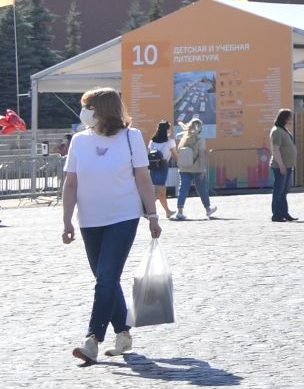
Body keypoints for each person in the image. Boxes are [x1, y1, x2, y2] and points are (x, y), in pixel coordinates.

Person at [61, 88, 165, 364]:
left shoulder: (132, 138)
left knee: (106, 277)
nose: (83, 112)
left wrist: (153, 216)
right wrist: (66, 220)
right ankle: (123, 333)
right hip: (90, 220)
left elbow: (143, 179)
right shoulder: (79, 141)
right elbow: (71, 183)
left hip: (123, 216)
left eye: (88, 107)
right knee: (106, 279)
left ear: (102, 110)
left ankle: (92, 339)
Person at [171, 118, 215, 218]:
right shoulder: (200, 140)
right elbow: (202, 156)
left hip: (183, 168)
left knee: (183, 189)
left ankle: (180, 211)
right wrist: (203, 169)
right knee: (201, 189)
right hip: (197, 169)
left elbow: (179, 152)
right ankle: (208, 209)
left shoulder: (183, 139)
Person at [268, 109, 297, 222]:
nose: (291, 119)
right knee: (278, 190)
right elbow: (275, 150)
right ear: (285, 118)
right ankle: (276, 214)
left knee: (284, 191)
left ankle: (284, 212)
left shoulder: (283, 130)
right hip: (280, 166)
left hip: (288, 165)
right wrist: (281, 166)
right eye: (290, 117)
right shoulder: (276, 131)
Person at [148, 121, 175, 208]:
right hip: (163, 167)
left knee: (156, 191)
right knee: (161, 191)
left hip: (152, 167)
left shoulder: (152, 141)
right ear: (167, 130)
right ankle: (148, 210)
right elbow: (175, 154)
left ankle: (166, 211)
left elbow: (148, 154)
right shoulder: (170, 141)